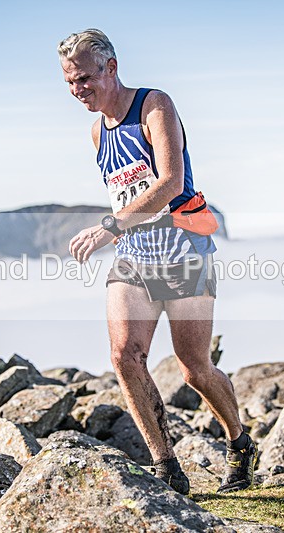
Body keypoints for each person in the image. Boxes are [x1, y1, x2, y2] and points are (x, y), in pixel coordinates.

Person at [58, 28, 256, 495]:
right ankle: (166, 467)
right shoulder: (95, 131)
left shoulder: (153, 106)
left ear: (111, 67)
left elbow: (169, 182)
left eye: (85, 78)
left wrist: (109, 226)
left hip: (184, 248)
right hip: (133, 255)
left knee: (193, 367)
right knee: (125, 355)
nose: (78, 90)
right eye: (69, 82)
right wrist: (121, 231)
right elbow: (127, 187)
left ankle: (239, 441)